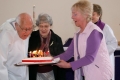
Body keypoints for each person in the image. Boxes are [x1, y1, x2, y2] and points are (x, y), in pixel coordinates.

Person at [54, 0, 113, 80]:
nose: (72, 17)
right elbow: (67, 54)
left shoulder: (94, 32)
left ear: (85, 15)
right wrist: (50, 60)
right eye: (72, 14)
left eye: (75, 14)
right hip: (87, 74)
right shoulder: (77, 34)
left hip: (100, 74)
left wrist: (68, 65)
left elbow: (89, 57)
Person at [28, 13, 66, 80]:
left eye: (46, 26)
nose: (43, 29)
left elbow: (61, 58)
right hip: (35, 73)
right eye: (41, 26)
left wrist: (52, 57)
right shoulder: (32, 37)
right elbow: (28, 54)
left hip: (51, 73)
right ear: (38, 26)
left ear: (50, 26)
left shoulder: (57, 39)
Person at [0, 13, 33, 80]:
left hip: (24, 76)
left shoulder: (25, 32)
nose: (27, 33)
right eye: (25, 29)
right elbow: (1, 63)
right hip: (10, 77)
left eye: (30, 29)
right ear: (16, 25)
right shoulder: (6, 34)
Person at [92, 4, 118, 80]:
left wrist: (101, 52)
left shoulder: (105, 28)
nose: (91, 17)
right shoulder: (87, 27)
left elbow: (113, 43)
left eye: (93, 14)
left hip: (103, 61)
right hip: (91, 64)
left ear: (99, 15)